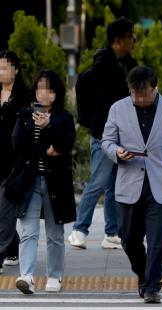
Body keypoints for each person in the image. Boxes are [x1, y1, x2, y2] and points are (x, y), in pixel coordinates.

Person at [101, 66, 162, 304]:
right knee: (128, 238)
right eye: (134, 94)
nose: (139, 99)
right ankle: (143, 274)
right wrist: (117, 152)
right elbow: (106, 141)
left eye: (144, 94)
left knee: (158, 239)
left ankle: (152, 287)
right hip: (129, 182)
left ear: (155, 88)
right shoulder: (117, 109)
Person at [68, 17, 138, 250]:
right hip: (103, 135)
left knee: (113, 185)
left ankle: (111, 233)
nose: (134, 41)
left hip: (122, 136)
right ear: (117, 41)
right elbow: (103, 105)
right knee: (97, 182)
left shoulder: (127, 64)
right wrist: (102, 132)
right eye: (130, 37)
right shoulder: (104, 67)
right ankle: (79, 229)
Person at [8, 70, 76, 294]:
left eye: (48, 89)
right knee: (28, 231)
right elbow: (17, 145)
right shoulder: (25, 115)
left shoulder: (63, 118)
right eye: (39, 88)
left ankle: (55, 276)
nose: (43, 93)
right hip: (30, 181)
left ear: (56, 93)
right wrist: (44, 151)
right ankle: (26, 276)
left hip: (55, 182)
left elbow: (65, 146)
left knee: (55, 233)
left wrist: (49, 127)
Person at [0, 50, 29, 274]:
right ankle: (12, 246)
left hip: (12, 163)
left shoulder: (23, 97)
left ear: (16, 70)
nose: (0, 72)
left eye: (4, 67)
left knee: (4, 211)